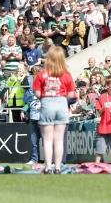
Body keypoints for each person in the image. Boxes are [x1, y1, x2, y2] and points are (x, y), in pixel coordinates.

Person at [32, 46, 76, 174]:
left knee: (47, 139)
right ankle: (57, 167)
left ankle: (48, 167)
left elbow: (37, 93)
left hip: (47, 103)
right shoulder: (66, 74)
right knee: (59, 139)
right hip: (62, 103)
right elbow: (72, 95)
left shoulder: (42, 74)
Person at [95, 76, 111, 165]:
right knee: (100, 149)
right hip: (104, 128)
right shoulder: (102, 97)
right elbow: (99, 112)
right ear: (107, 86)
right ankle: (97, 164)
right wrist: (103, 108)